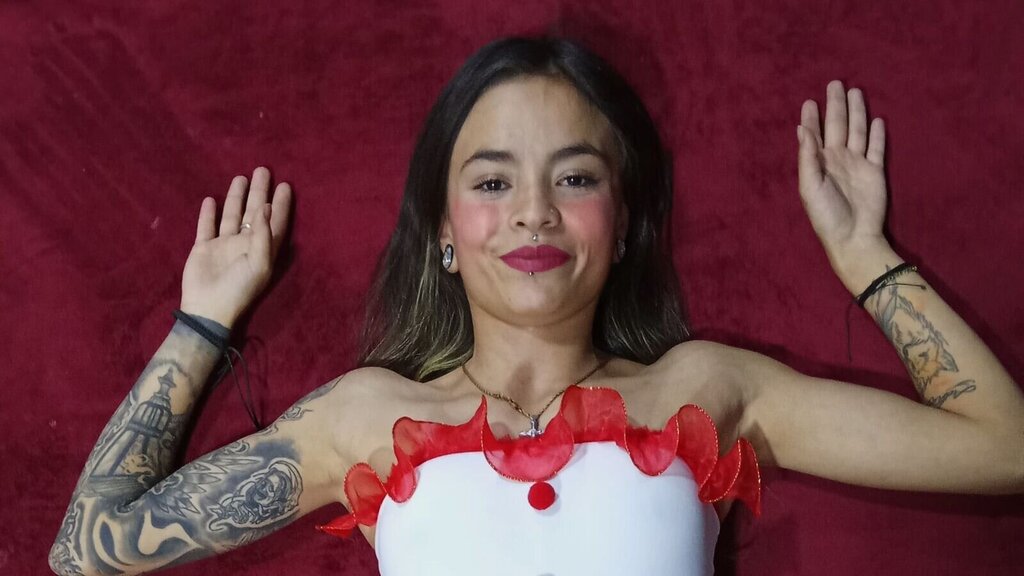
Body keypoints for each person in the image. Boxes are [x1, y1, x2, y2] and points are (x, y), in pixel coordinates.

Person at [49, 36, 1024, 576]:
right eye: (491, 180)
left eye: (574, 176)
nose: (533, 211)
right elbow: (87, 547)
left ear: (622, 224)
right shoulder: (364, 418)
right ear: (443, 229)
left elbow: (1003, 448)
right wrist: (201, 326)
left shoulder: (707, 391)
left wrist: (865, 258)